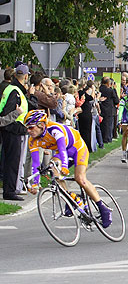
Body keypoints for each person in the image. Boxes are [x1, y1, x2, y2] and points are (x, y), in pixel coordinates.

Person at [24, 110, 112, 227]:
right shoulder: (33, 140)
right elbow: (35, 163)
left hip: (77, 148)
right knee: (54, 170)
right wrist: (35, 183)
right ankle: (72, 199)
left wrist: (64, 167)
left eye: (31, 128)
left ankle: (103, 209)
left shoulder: (54, 130)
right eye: (27, 128)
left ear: (41, 124)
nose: (28, 131)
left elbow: (62, 149)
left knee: (80, 178)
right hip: (63, 153)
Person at [0, 63, 32, 201]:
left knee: (11, 161)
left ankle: (10, 189)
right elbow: (7, 113)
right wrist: (17, 113)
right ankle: (10, 191)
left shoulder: (12, 89)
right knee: (13, 162)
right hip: (12, 130)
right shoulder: (15, 91)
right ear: (25, 76)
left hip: (12, 130)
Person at [99, 77, 119, 144]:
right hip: (109, 110)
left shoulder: (100, 89)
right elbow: (116, 101)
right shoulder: (110, 91)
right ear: (108, 83)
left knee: (103, 125)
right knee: (109, 126)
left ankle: (103, 138)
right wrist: (114, 89)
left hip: (102, 109)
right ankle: (108, 139)